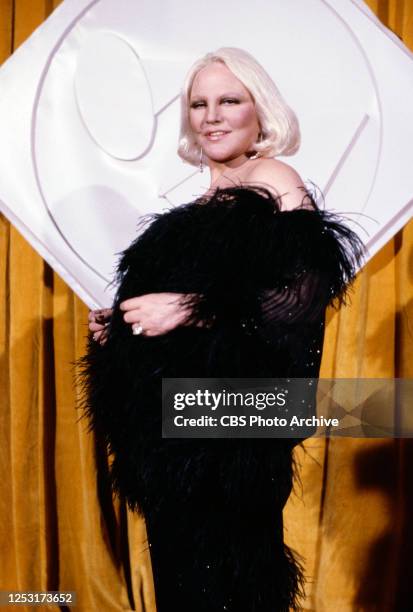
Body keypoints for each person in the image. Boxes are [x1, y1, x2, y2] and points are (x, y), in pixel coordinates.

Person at [82, 48, 364, 611]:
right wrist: (130, 326)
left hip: (233, 434)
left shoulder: (272, 176)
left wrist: (187, 308)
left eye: (229, 101)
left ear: (260, 111)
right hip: (183, 435)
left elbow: (300, 296)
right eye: (199, 104)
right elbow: (214, 319)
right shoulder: (203, 201)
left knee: (230, 584)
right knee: (188, 585)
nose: (212, 116)